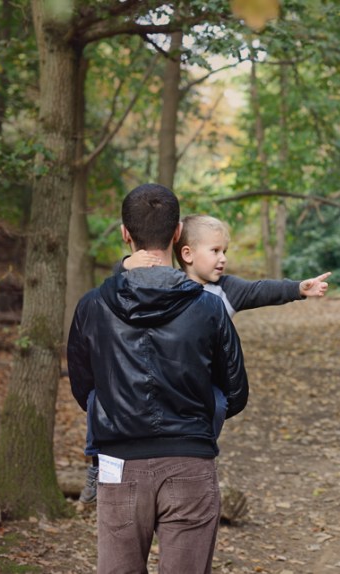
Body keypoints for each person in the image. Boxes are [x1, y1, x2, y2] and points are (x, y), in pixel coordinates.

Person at [78, 213, 331, 503]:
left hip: (197, 388)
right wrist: (123, 264)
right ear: (186, 254)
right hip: (153, 380)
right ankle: (96, 464)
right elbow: (123, 286)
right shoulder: (168, 284)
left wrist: (298, 288)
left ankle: (200, 451)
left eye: (225, 251)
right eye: (215, 251)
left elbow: (260, 289)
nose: (222, 258)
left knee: (220, 401)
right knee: (98, 398)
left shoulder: (227, 289)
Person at [67, 183, 248, 573]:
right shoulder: (208, 308)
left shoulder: (92, 306)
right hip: (190, 463)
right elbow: (235, 391)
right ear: (178, 233)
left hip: (119, 461)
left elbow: (84, 388)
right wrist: (199, 418)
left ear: (125, 234)